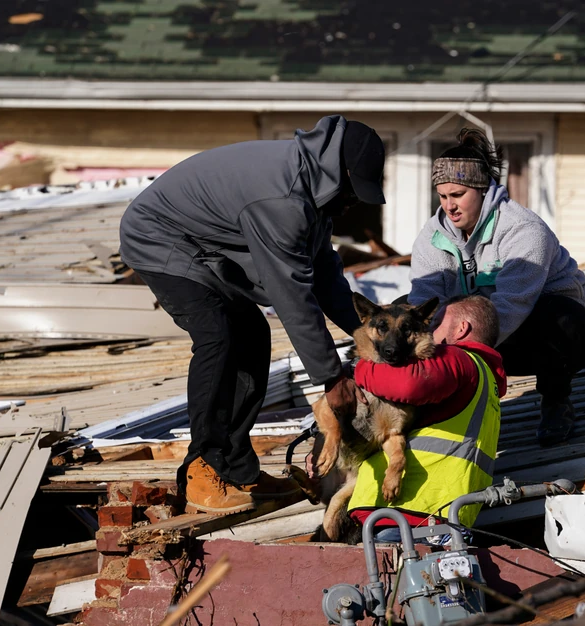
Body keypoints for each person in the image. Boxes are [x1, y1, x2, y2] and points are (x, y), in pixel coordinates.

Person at [118, 115, 385, 515]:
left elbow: (326, 277)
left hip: (203, 246)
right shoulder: (284, 200)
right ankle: (202, 467)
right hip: (158, 237)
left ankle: (238, 469)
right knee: (218, 334)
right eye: (353, 191)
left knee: (253, 335)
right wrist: (332, 378)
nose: (352, 203)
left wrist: (371, 335)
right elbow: (293, 296)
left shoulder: (313, 190)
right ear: (339, 173)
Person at [408, 128, 585, 447]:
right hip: (484, 338)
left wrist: (456, 364)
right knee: (408, 314)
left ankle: (556, 402)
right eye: (443, 196)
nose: (449, 206)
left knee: (557, 316)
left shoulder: (522, 229)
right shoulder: (432, 237)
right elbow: (424, 305)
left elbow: (512, 307)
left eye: (458, 195)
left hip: (554, 335)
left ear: (482, 190)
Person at [346, 295, 506, 542]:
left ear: (462, 329)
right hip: (440, 514)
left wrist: (360, 365)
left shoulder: (455, 358)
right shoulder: (486, 378)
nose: (429, 329)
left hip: (409, 511)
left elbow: (406, 385)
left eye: (438, 321)